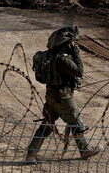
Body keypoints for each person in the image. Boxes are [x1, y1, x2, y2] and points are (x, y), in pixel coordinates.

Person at [25, 26, 98, 164]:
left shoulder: (47, 56)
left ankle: (31, 154)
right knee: (76, 122)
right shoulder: (62, 59)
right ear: (66, 44)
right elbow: (79, 71)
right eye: (71, 43)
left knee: (47, 124)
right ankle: (85, 150)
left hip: (51, 95)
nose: (73, 45)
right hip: (63, 97)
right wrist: (76, 53)